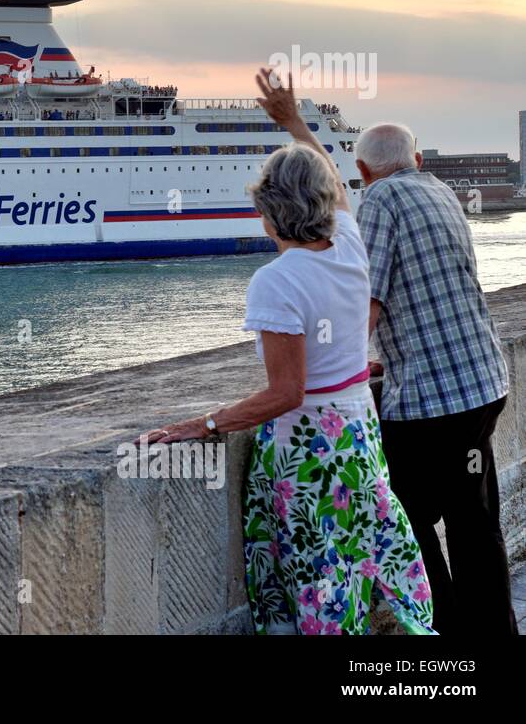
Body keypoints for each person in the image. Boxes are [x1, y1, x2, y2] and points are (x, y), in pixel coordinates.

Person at [149, 70, 434, 635]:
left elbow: (287, 393)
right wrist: (293, 122)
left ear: (268, 210)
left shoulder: (276, 281)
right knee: (366, 564)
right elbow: (335, 181)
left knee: (321, 580)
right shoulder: (349, 247)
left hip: (311, 454)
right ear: (326, 202)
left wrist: (205, 423)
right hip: (360, 433)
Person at [354, 123, 517, 635]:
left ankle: (442, 631)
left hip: (432, 400)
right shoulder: (440, 189)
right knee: (473, 522)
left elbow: (369, 301)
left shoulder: (378, 200)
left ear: (362, 171)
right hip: (482, 382)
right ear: (417, 158)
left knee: (404, 521)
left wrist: (342, 366)